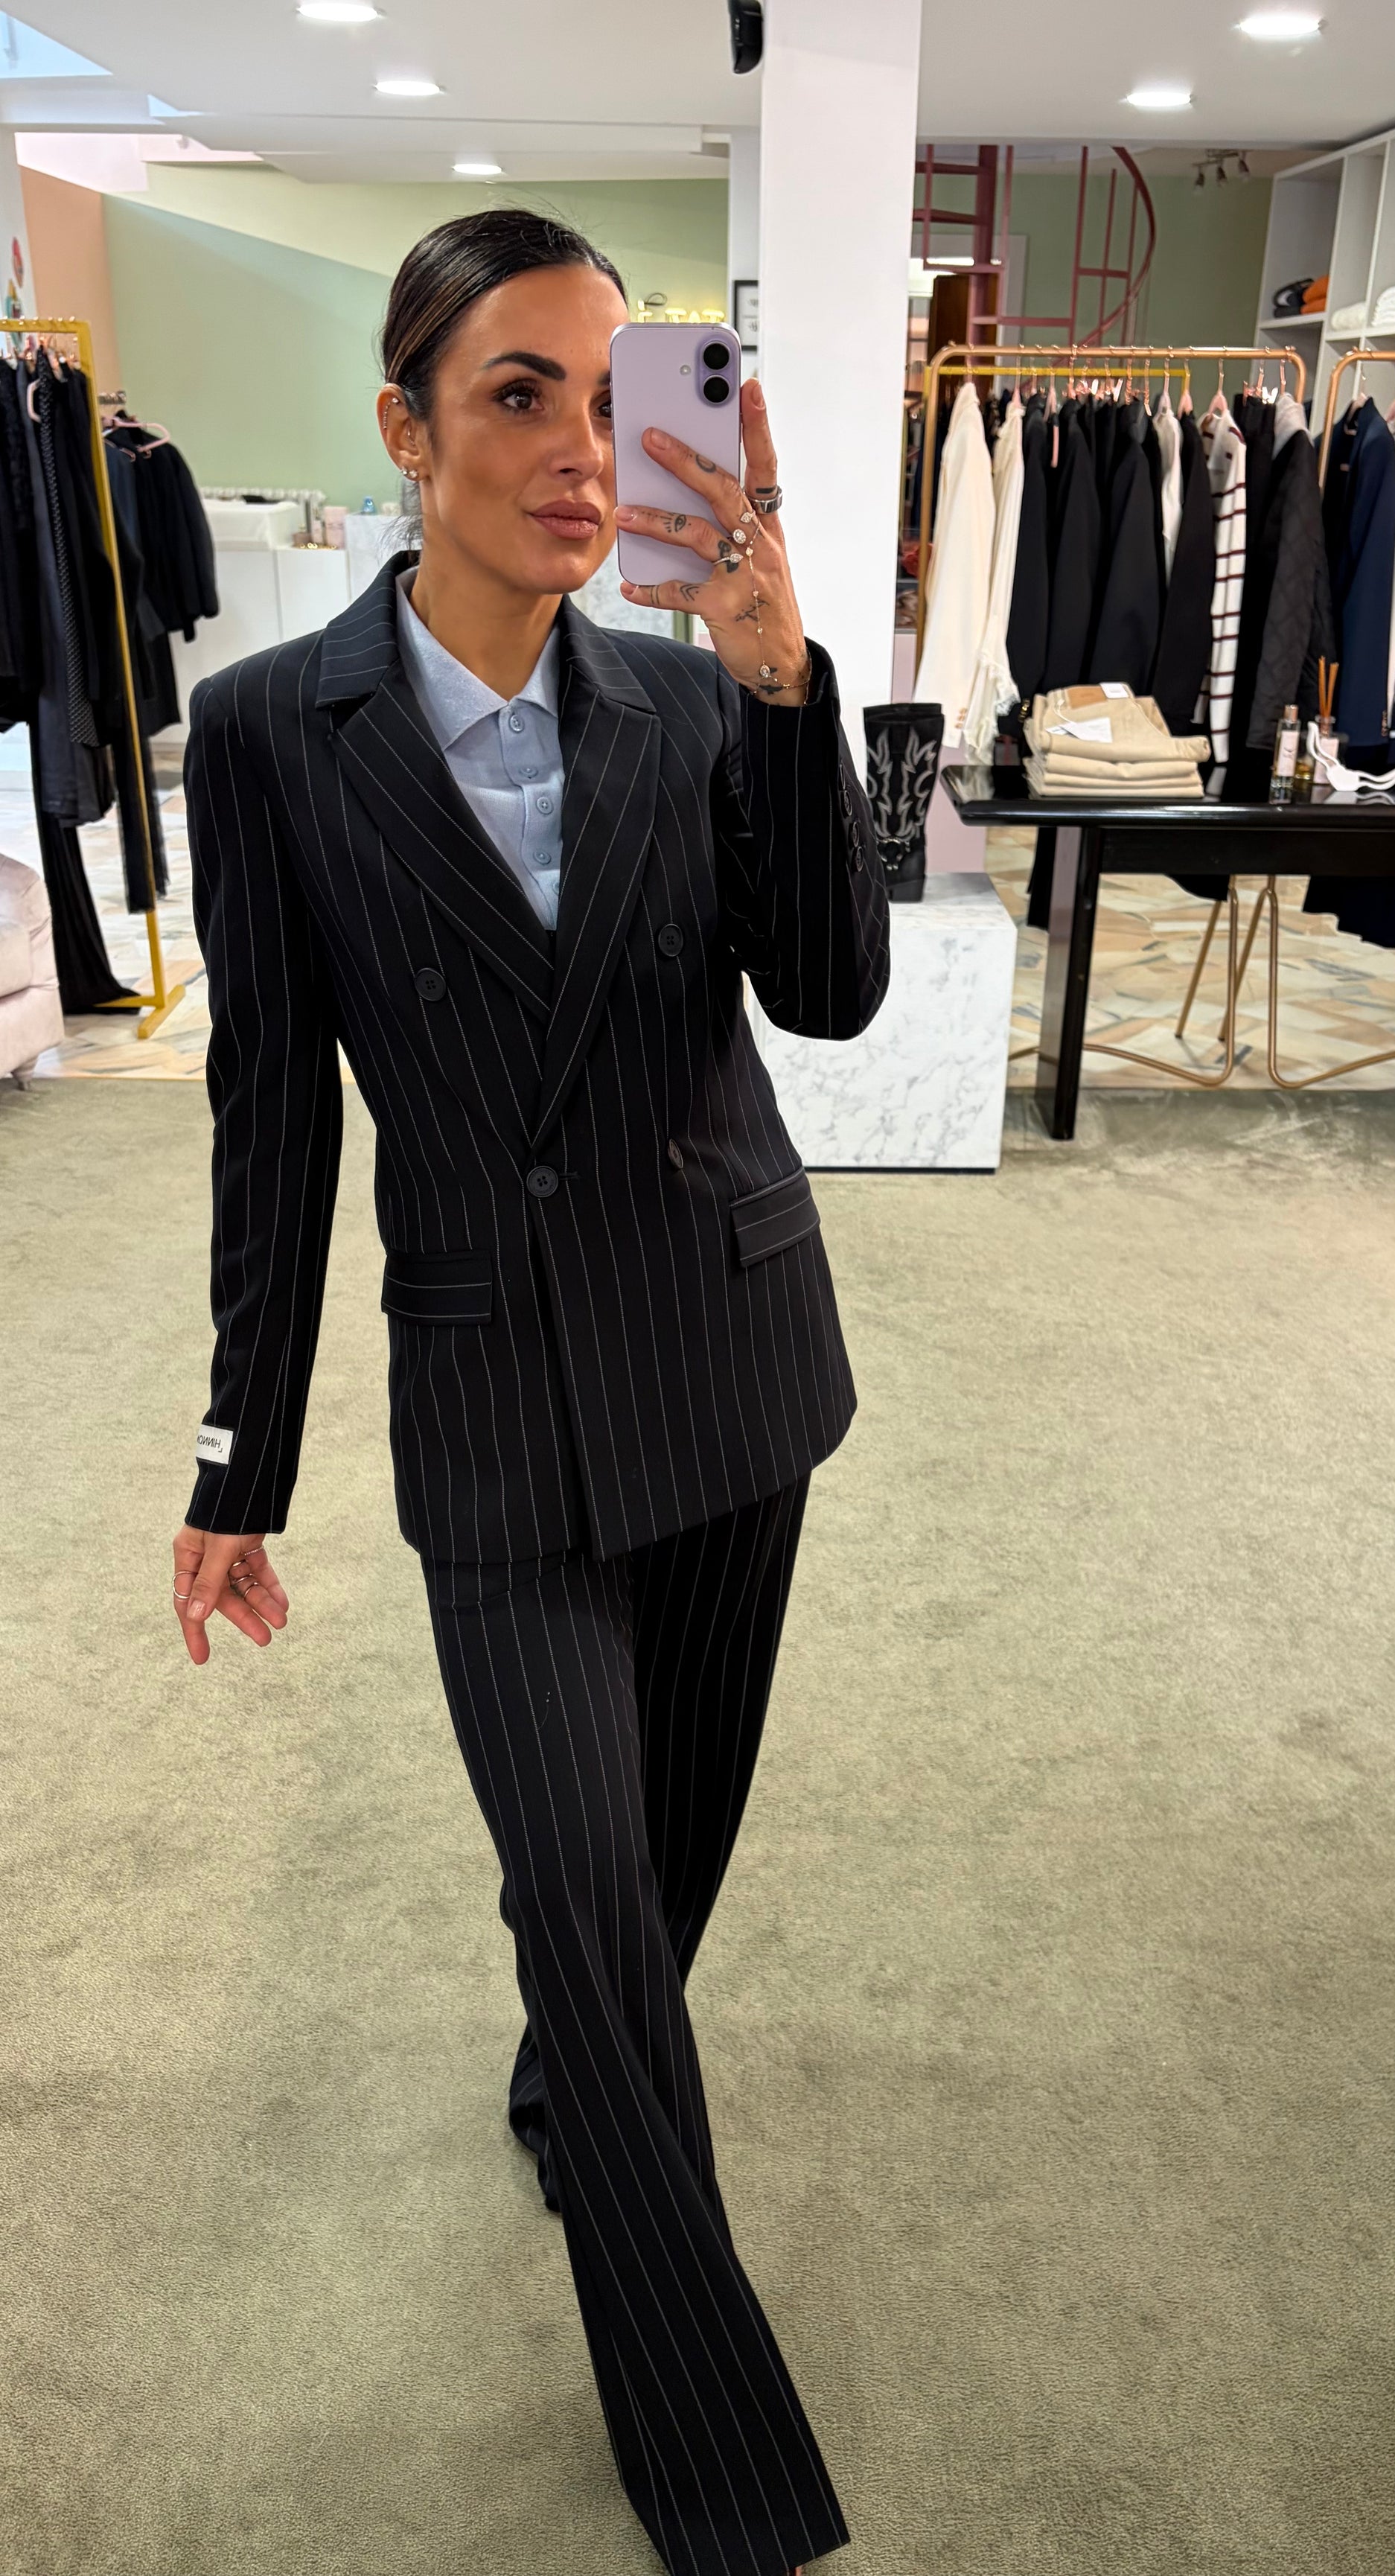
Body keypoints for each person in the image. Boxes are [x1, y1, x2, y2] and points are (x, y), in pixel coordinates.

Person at [170, 208, 889, 2576]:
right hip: (492, 1416)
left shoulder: (687, 697)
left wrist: (785, 687)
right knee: (581, 1903)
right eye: (518, 395)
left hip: (728, 1368)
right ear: (404, 426)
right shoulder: (270, 736)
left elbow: (830, 991)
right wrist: (236, 1460)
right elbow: (271, 1121)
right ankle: (730, 2490)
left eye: (612, 396)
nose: (585, 452)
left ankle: (573, 2076)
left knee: (654, 1874)